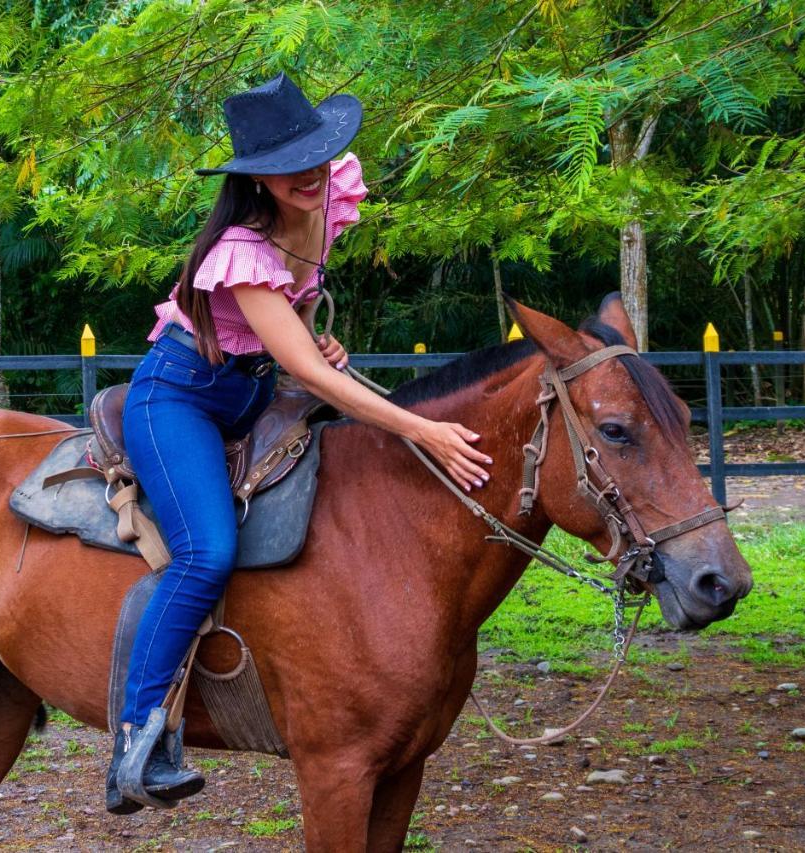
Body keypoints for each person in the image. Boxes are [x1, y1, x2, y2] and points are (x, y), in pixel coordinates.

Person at [108, 72, 494, 813]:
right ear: (258, 180)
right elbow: (303, 367)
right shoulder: (240, 250)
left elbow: (301, 340)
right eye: (292, 167)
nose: (313, 175)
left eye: (320, 155)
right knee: (206, 550)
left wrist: (319, 341)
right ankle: (138, 736)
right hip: (181, 396)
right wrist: (424, 429)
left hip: (254, 389)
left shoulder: (323, 207)